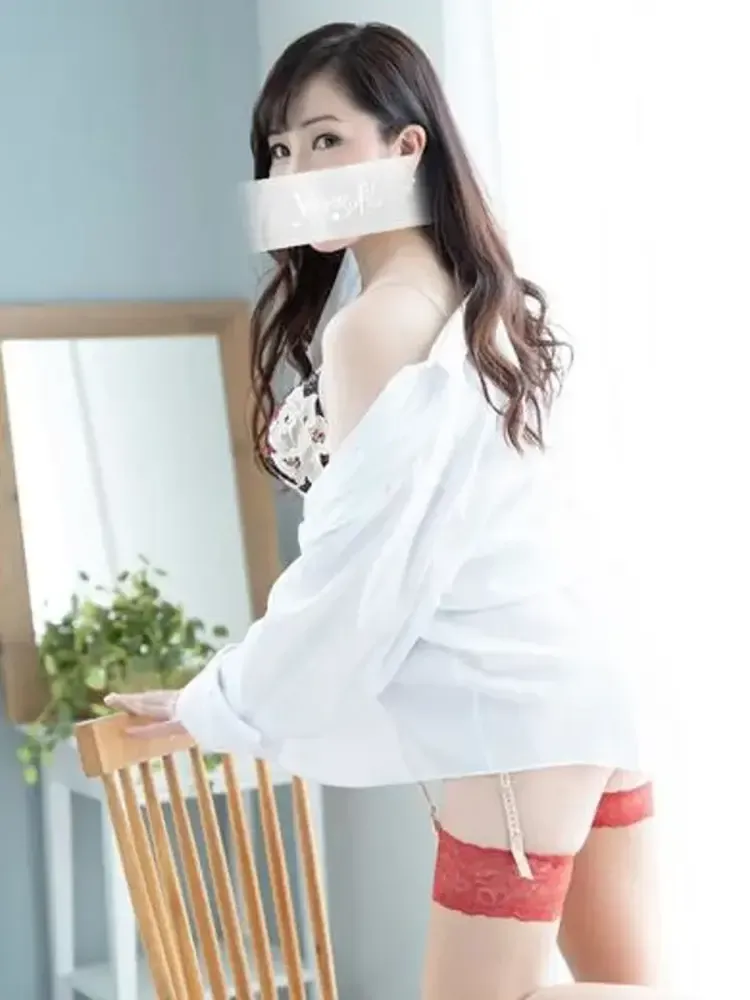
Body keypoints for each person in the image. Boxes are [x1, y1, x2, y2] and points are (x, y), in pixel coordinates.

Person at [106, 22, 690, 1000]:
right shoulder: (490, 300)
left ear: (406, 146)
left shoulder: (375, 326)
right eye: (280, 149)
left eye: (326, 139)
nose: (296, 171)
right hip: (593, 697)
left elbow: (357, 580)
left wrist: (219, 701)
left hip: (514, 723)